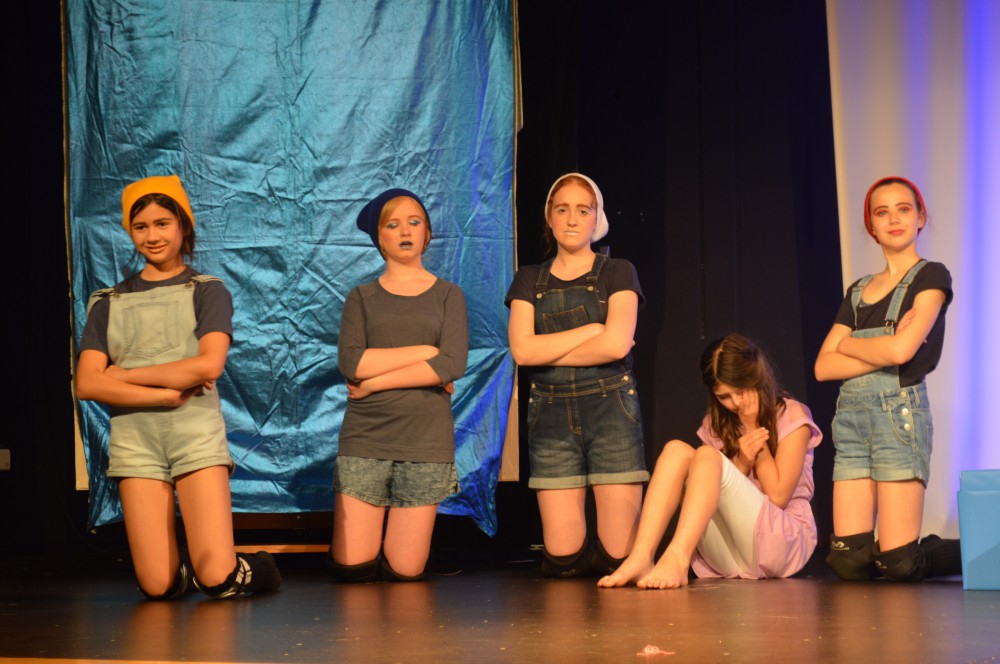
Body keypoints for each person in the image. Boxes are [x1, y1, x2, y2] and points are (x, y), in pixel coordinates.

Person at [75, 175, 281, 600]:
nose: (152, 236)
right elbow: (87, 382)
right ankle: (182, 567)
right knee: (157, 586)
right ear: (130, 232)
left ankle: (259, 567)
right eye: (141, 226)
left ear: (183, 226)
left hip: (194, 433)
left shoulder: (207, 290)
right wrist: (163, 393)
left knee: (219, 581)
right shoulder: (108, 301)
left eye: (162, 223)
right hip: (136, 440)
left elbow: (208, 364)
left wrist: (123, 375)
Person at [815, 176, 961, 582]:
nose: (894, 219)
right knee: (848, 562)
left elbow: (901, 353)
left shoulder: (931, 276)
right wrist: (885, 344)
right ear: (871, 226)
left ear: (920, 218)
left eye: (904, 209)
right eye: (882, 212)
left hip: (899, 418)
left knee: (898, 564)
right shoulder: (858, 291)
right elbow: (823, 367)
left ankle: (980, 546)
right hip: (852, 424)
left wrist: (850, 345)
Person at [505, 173, 648, 578]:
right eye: (562, 209)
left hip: (611, 410)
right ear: (549, 218)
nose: (571, 219)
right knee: (563, 560)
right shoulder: (528, 278)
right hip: (550, 416)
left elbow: (616, 347)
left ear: (596, 218)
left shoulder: (618, 271)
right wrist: (591, 331)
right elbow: (522, 351)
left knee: (620, 556)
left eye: (582, 210)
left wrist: (550, 349)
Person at [598, 334, 823, 589]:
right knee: (675, 450)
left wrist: (752, 428)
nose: (735, 403)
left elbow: (779, 496)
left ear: (755, 378)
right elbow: (717, 490)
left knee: (706, 455)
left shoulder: (792, 414)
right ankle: (641, 556)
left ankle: (677, 558)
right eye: (724, 396)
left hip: (782, 544)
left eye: (740, 392)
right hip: (730, 551)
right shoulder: (716, 423)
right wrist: (741, 462)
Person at [331, 188, 468, 582]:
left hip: (425, 443)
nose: (405, 231)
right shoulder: (361, 297)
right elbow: (352, 362)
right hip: (366, 440)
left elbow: (451, 364)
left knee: (406, 571)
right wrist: (426, 352)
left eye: (414, 222)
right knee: (354, 569)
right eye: (393, 224)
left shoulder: (448, 295)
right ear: (380, 238)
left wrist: (375, 383)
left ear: (426, 233)